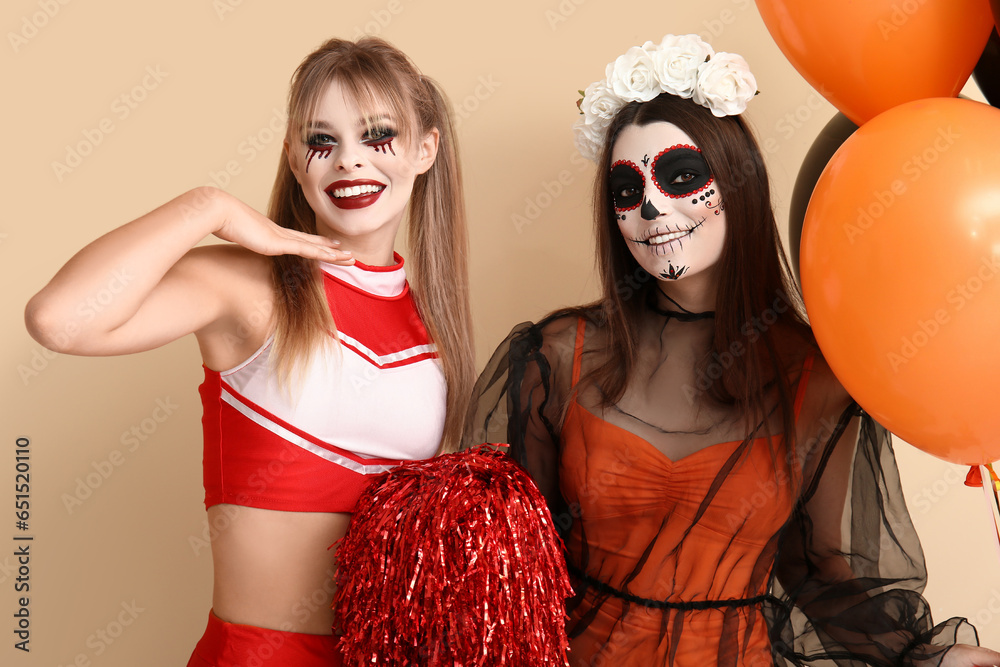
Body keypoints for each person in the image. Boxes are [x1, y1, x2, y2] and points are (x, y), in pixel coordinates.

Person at [465, 34, 1000, 667]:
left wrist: (931, 657)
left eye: (681, 177)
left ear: (738, 181)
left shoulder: (816, 379)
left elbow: (830, 581)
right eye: (626, 190)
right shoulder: (555, 358)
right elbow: (505, 570)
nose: (652, 207)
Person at [24, 36, 473, 666]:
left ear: (425, 148)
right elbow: (57, 321)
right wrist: (206, 208)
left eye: (377, 136)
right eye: (321, 141)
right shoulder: (248, 286)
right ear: (294, 159)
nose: (349, 160)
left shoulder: (432, 328)